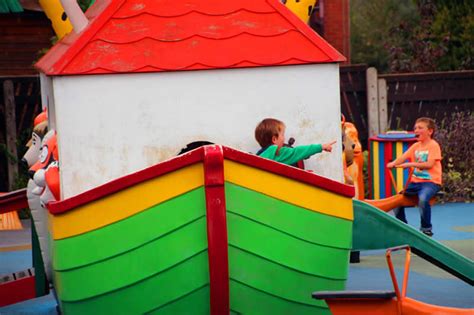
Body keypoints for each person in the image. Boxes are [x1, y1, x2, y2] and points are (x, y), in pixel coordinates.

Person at [387, 117, 442, 236]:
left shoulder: (433, 145)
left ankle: (426, 228)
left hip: (431, 182)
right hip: (415, 182)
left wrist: (410, 164)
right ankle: (403, 226)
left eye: (420, 128)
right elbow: (402, 157)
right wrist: (393, 164)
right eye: (415, 128)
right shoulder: (416, 146)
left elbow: (429, 164)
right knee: (397, 200)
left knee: (423, 199)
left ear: (430, 131)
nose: (416, 130)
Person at [254, 118, 336, 166]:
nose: (284, 138)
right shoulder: (278, 153)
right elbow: (297, 152)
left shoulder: (258, 156)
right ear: (274, 139)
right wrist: (320, 147)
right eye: (282, 135)